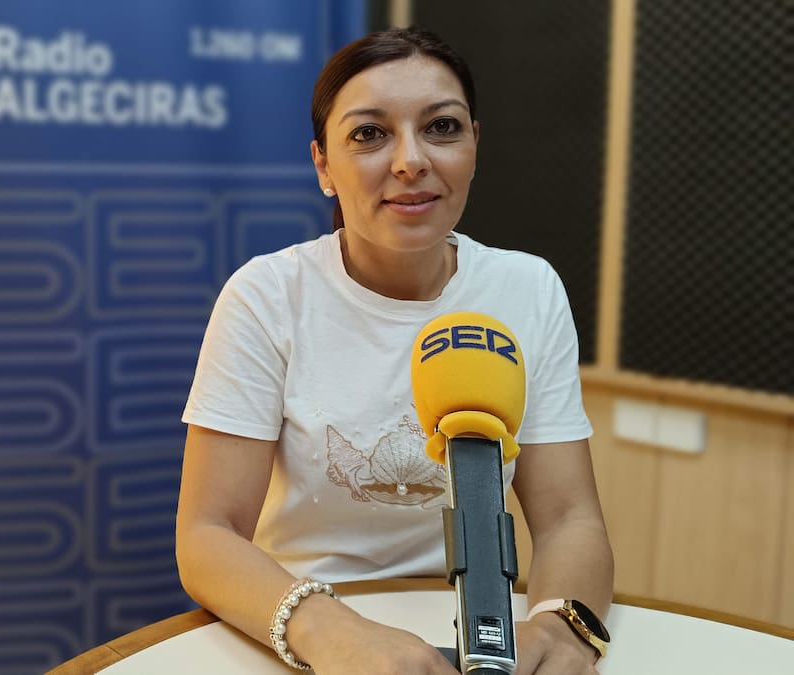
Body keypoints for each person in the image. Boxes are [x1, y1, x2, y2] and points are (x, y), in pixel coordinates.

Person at [175, 27, 614, 675]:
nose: (411, 159)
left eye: (441, 127)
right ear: (323, 165)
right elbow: (207, 534)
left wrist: (562, 624)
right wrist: (332, 635)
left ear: (474, 146)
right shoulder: (267, 295)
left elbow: (569, 517)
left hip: (474, 628)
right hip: (302, 625)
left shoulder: (527, 288)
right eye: (369, 134)